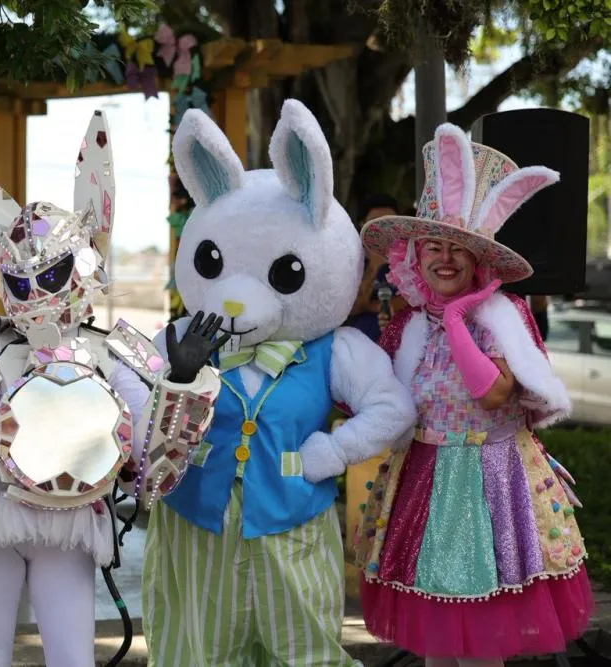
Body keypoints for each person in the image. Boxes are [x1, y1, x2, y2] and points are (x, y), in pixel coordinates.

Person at [0, 111, 224, 667]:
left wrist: (179, 386)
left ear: (81, 268)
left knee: (73, 655)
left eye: (49, 276)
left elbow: (151, 473)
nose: (34, 292)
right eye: (20, 280)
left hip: (72, 517)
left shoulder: (113, 351)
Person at [142, 100, 416, 666]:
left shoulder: (333, 350)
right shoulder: (178, 340)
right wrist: (179, 378)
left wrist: (337, 449)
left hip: (291, 526)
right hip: (200, 529)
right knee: (202, 651)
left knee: (304, 652)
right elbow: (129, 410)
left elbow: (392, 408)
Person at [356, 123, 592, 666]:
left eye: (457, 250)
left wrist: (460, 318)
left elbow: (492, 393)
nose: (444, 259)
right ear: (414, 258)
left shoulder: (500, 316)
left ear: (477, 261)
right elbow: (379, 398)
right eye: (433, 247)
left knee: (484, 641)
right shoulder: (407, 325)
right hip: (426, 475)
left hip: (495, 476)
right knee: (438, 637)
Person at [347, 194, 408, 341]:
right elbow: (350, 308)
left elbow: (408, 304)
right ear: (362, 225)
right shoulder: (349, 263)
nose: (384, 231)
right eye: (376, 224)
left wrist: (367, 306)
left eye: (389, 223)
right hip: (356, 345)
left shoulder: (410, 261)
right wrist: (374, 267)